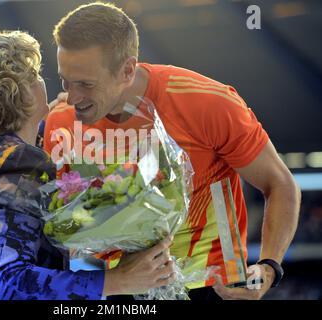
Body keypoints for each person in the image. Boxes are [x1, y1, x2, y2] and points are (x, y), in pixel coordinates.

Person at [42, 2, 301, 300]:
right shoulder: (60, 122)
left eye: (86, 84)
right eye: (66, 81)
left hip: (215, 288)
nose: (72, 98)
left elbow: (280, 184)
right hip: (116, 290)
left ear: (127, 70)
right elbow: (63, 222)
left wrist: (269, 268)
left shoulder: (206, 103)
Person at [0, 30, 177, 300]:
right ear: (21, 95)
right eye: (34, 75)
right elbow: (11, 283)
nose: (43, 80)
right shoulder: (20, 164)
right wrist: (116, 280)